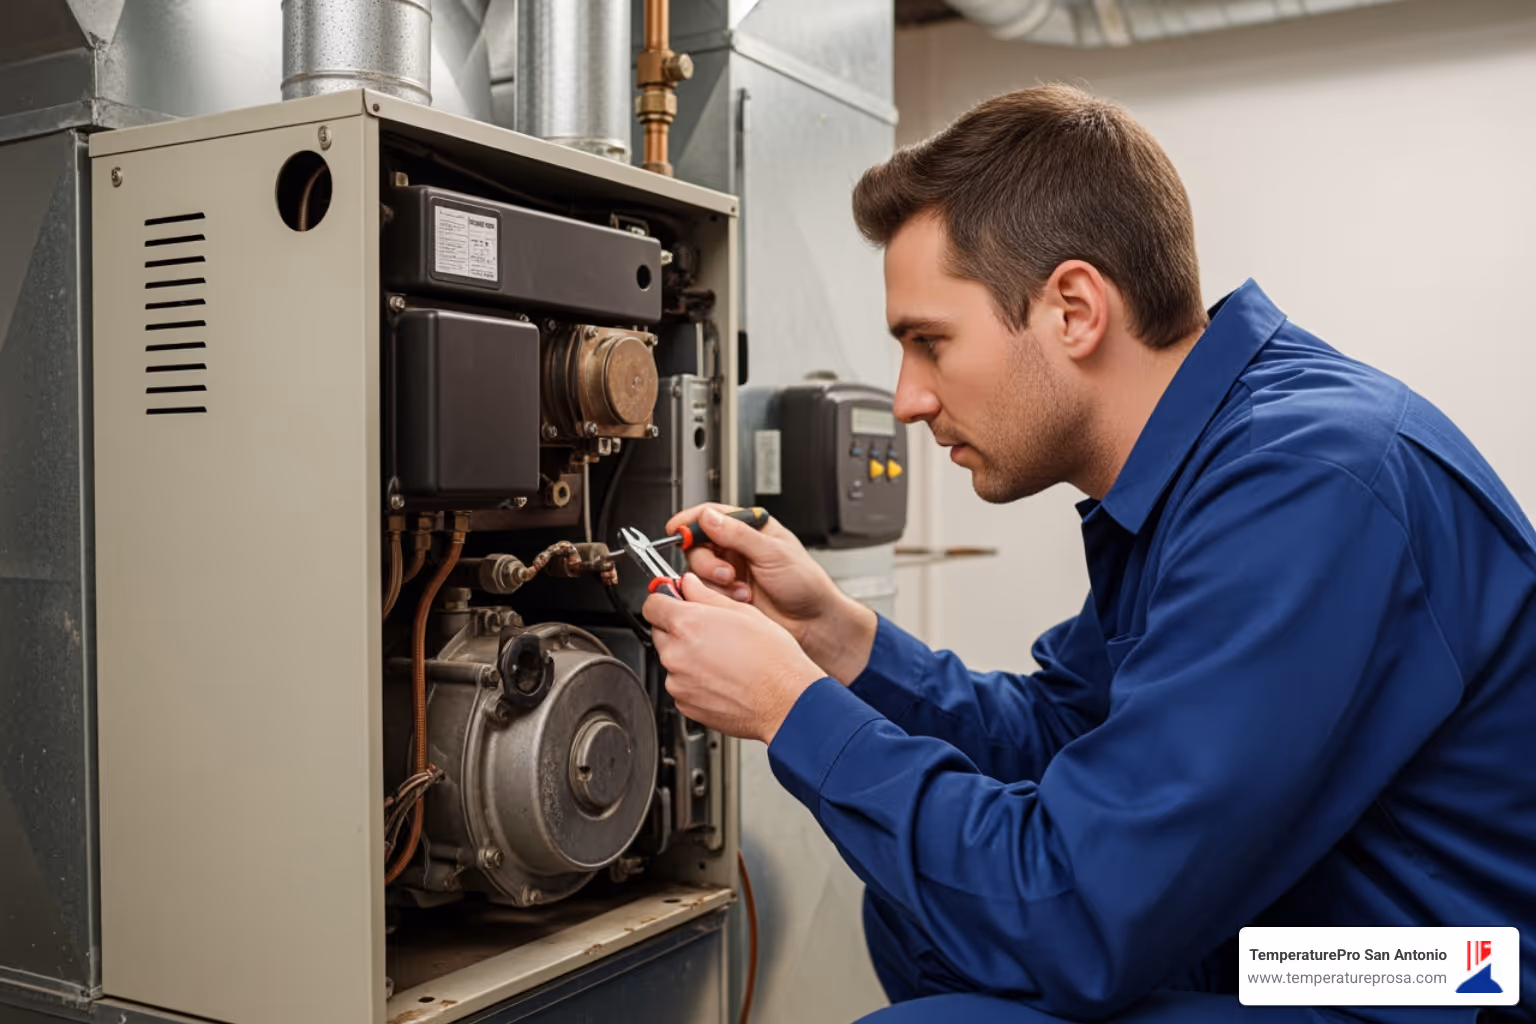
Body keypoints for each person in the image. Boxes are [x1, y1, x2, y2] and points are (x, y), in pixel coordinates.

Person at [640, 85, 1536, 1024]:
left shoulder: (1308, 482)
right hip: (1330, 935)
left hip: (1451, 973)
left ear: (1073, 308)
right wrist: (838, 641)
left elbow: (1076, 910)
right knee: (921, 919)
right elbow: (1067, 738)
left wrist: (791, 710)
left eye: (929, 343)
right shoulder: (1211, 459)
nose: (905, 399)